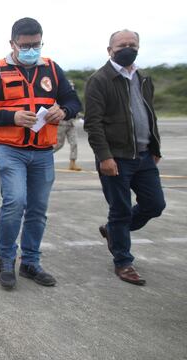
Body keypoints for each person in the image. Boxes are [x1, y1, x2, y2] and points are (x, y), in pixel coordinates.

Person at [0, 17, 82, 289]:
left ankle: (31, 263)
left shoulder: (52, 69)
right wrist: (12, 117)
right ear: (13, 44)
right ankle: (7, 261)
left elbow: (73, 101)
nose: (31, 49)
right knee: (15, 203)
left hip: (43, 150)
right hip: (10, 149)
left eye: (36, 44)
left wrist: (64, 110)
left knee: (38, 209)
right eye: (25, 45)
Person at [84, 29, 165, 286]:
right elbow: (93, 124)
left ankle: (113, 233)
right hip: (116, 158)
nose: (127, 48)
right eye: (121, 45)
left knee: (155, 205)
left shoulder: (143, 77)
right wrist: (104, 157)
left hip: (143, 156)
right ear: (110, 50)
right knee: (119, 210)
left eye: (132, 44)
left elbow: (149, 115)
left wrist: (155, 148)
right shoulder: (100, 80)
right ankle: (123, 262)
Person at [53, 80, 82, 171]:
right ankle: (45, 157)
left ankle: (72, 163)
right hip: (61, 124)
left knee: (74, 143)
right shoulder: (58, 98)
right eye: (70, 86)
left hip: (71, 123)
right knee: (58, 144)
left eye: (72, 86)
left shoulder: (73, 98)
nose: (71, 88)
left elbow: (75, 109)